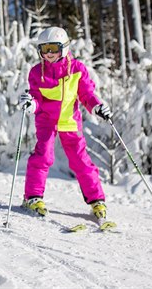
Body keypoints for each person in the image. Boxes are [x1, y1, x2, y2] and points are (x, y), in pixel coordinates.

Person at [18, 26, 112, 221]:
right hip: (47, 120)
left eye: (53, 48)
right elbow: (36, 98)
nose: (49, 53)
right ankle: (33, 197)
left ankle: (97, 200)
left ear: (65, 47)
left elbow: (86, 95)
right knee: (43, 155)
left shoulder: (77, 69)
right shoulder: (37, 72)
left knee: (80, 159)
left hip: (69, 120)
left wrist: (97, 107)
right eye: (44, 49)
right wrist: (30, 104)